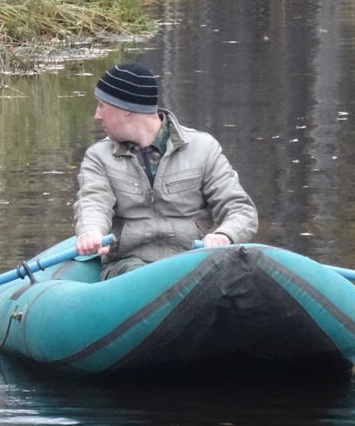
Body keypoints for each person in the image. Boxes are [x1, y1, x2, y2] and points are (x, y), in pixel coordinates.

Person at [74, 62, 258, 279]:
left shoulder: (203, 148)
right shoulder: (98, 157)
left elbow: (240, 209)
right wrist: (90, 231)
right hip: (129, 266)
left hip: (194, 262)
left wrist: (225, 235)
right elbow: (93, 202)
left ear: (125, 109)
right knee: (138, 275)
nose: (97, 115)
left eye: (101, 106)